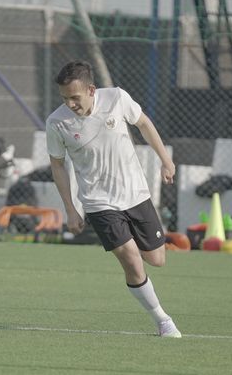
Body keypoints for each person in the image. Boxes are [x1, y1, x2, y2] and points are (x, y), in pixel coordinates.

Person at [46, 60, 181, 338]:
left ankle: (137, 248)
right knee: (131, 260)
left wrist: (166, 161)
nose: (69, 104)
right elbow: (58, 165)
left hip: (135, 194)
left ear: (92, 90)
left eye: (75, 97)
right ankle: (163, 320)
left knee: (156, 259)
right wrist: (71, 209)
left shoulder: (117, 98)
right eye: (64, 98)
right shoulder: (56, 123)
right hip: (98, 203)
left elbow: (143, 123)